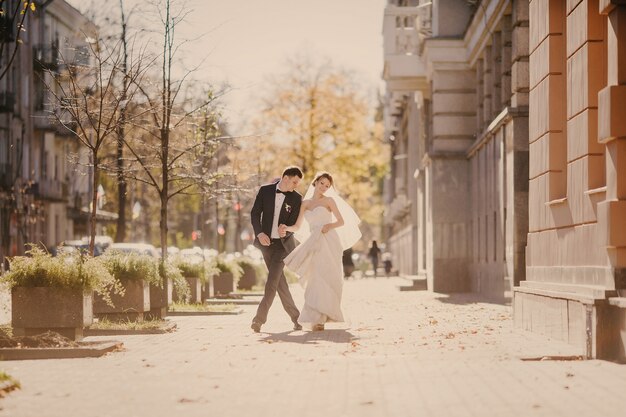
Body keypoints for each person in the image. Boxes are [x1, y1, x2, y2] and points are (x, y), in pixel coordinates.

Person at [282, 172, 361, 331]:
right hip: (313, 242)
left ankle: (324, 317)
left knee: (329, 277)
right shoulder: (305, 204)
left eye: (327, 186)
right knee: (315, 277)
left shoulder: (329, 201)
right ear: (315, 182)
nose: (324, 187)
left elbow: (341, 221)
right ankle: (316, 318)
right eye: (322, 183)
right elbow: (297, 226)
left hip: (329, 241)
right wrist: (286, 228)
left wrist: (329, 226)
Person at [250, 166, 304, 333]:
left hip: (282, 246)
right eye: (294, 182)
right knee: (280, 283)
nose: (296, 185)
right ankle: (296, 318)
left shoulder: (296, 198)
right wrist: (259, 234)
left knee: (272, 282)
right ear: (286, 178)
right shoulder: (265, 191)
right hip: (265, 244)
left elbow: (295, 225)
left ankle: (258, 320)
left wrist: (286, 229)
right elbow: (254, 214)